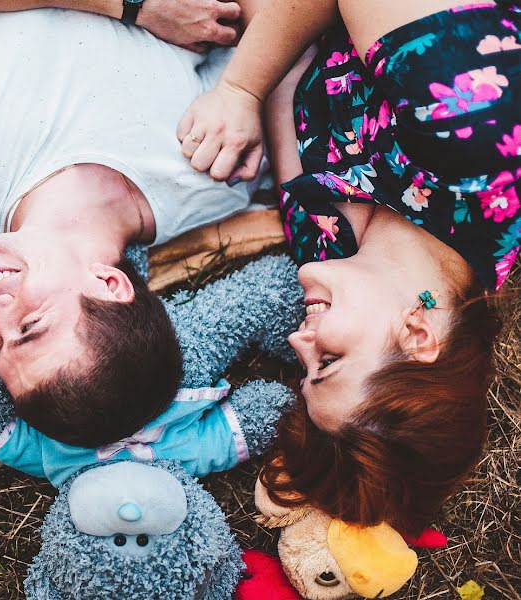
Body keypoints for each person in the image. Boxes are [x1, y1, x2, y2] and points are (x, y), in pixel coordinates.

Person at [0, 0, 281, 447]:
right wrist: (247, 89)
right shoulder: (217, 168)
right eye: (30, 327)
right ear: (110, 285)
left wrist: (131, 9)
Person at [178, 0, 518, 534]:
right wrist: (239, 89)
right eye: (329, 360)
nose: (297, 343)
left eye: (304, 371)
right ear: (418, 334)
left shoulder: (328, 252)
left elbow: (287, 65)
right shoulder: (475, 138)